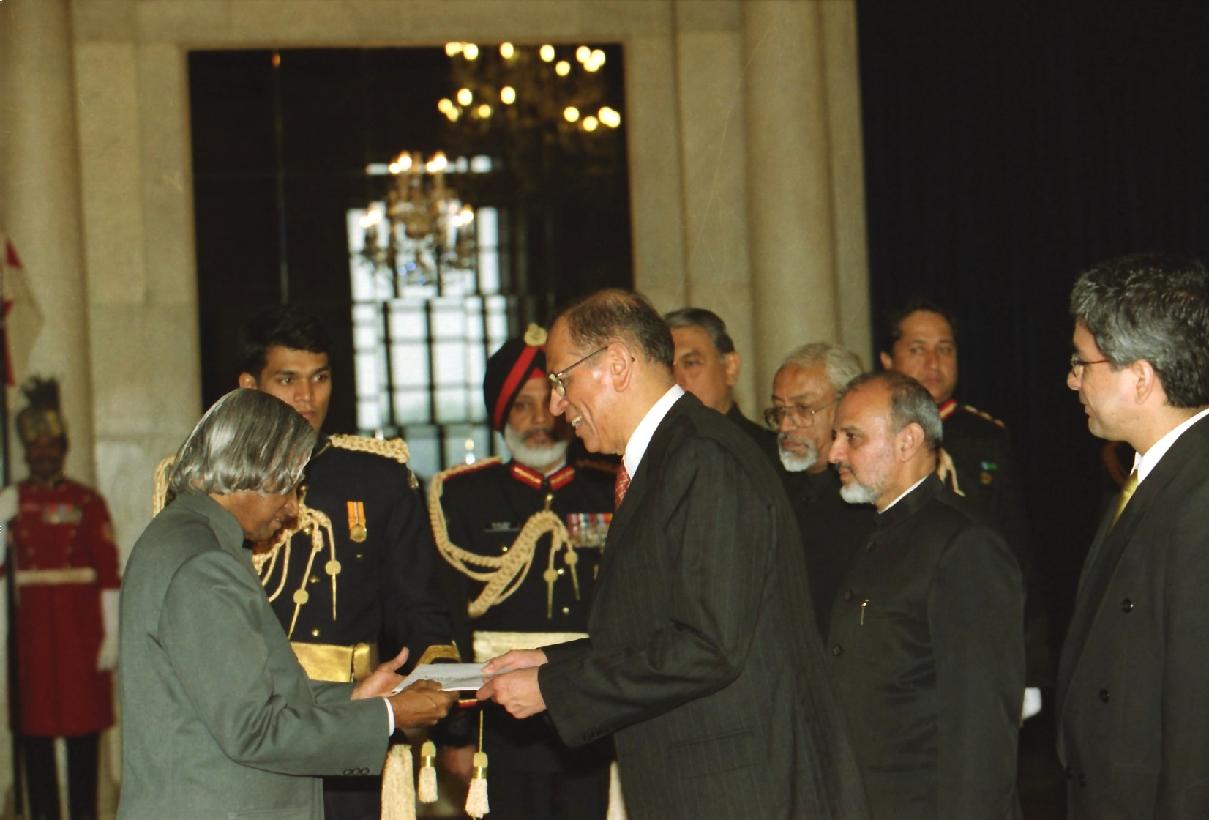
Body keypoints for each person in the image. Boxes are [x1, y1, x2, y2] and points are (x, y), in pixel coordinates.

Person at [478, 289, 868, 819]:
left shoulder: (703, 457)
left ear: (617, 365)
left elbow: (708, 645)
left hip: (740, 793)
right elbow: (657, 628)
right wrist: (554, 661)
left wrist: (555, 688)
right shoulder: (671, 455)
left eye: (561, 380)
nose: (556, 405)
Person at [118, 388, 457, 819]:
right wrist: (388, 716)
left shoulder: (185, 537)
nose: (294, 508)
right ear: (254, 469)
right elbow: (255, 730)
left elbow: (248, 690)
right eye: (290, 486)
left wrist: (355, 696)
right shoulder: (204, 563)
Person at [235, 306, 454, 819]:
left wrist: (438, 684)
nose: (306, 397)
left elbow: (418, 603)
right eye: (287, 379)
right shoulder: (220, 482)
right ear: (249, 386)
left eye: (320, 378)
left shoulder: (376, 479)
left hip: (355, 718)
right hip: (256, 719)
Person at [431, 325, 614, 819]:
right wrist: (456, 732)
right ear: (501, 416)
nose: (538, 420)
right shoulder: (463, 497)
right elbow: (450, 619)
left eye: (548, 404)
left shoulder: (609, 488)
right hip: (498, 719)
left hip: (587, 709)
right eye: (521, 406)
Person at [827, 370, 1024, 820]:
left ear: (908, 441)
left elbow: (981, 727)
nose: (835, 451)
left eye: (851, 436)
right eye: (836, 436)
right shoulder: (877, 533)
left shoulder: (963, 545)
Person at [1057, 253, 1209, 818]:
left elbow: (1197, 722)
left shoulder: (1200, 498)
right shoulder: (1154, 472)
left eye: (1082, 362)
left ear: (1141, 378)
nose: (1072, 378)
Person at [879, 299, 1052, 699]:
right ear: (888, 359)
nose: (933, 362)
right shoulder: (870, 438)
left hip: (976, 633)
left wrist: (1030, 667)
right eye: (917, 349)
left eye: (945, 349)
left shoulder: (986, 437)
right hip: (898, 640)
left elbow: (1017, 552)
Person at [2, 377, 120, 820]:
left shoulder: (86, 501)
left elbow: (108, 571)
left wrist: (111, 635)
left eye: (50, 445)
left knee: (83, 736)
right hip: (32, 635)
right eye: (36, 447)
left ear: (63, 449)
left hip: (78, 632)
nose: (43, 453)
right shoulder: (14, 501)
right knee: (33, 740)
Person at [765, 342, 874, 636]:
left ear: (844, 408)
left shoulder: (866, 496)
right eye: (779, 410)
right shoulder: (768, 484)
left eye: (803, 409)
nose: (785, 426)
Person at [663, 307, 778, 464]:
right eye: (668, 369)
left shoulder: (767, 454)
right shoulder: (655, 454)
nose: (677, 381)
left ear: (730, 367)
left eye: (691, 363)